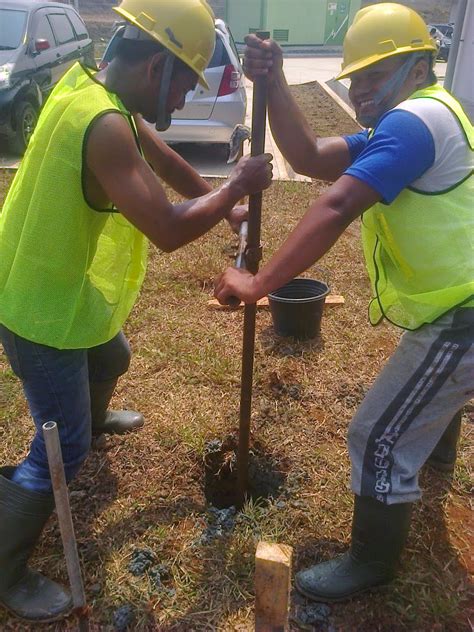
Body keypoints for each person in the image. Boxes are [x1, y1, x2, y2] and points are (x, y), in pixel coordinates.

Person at [0, 0, 273, 622]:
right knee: (57, 448)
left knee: (114, 353)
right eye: (184, 87)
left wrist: (221, 202)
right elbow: (169, 230)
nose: (179, 105)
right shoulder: (105, 126)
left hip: (50, 284)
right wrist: (236, 187)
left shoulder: (94, 91)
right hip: (38, 312)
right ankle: (7, 570)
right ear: (157, 67)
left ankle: (88, 425)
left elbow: (165, 160)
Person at [215, 2, 473, 602]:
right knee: (429, 398)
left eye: (373, 76)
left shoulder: (413, 124)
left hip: (463, 319)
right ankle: (435, 462)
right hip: (454, 308)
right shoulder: (409, 121)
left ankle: (371, 563)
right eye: (354, 78)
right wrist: (275, 81)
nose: (359, 91)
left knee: (377, 435)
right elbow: (306, 159)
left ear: (415, 67)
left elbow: (334, 206)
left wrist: (258, 283)